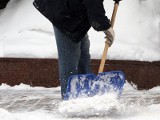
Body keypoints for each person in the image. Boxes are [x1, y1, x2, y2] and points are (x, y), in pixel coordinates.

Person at [33, 0, 120, 99]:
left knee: (83, 54)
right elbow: (94, 7)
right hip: (65, 12)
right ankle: (70, 101)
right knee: (70, 58)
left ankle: (86, 94)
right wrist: (105, 27)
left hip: (74, 10)